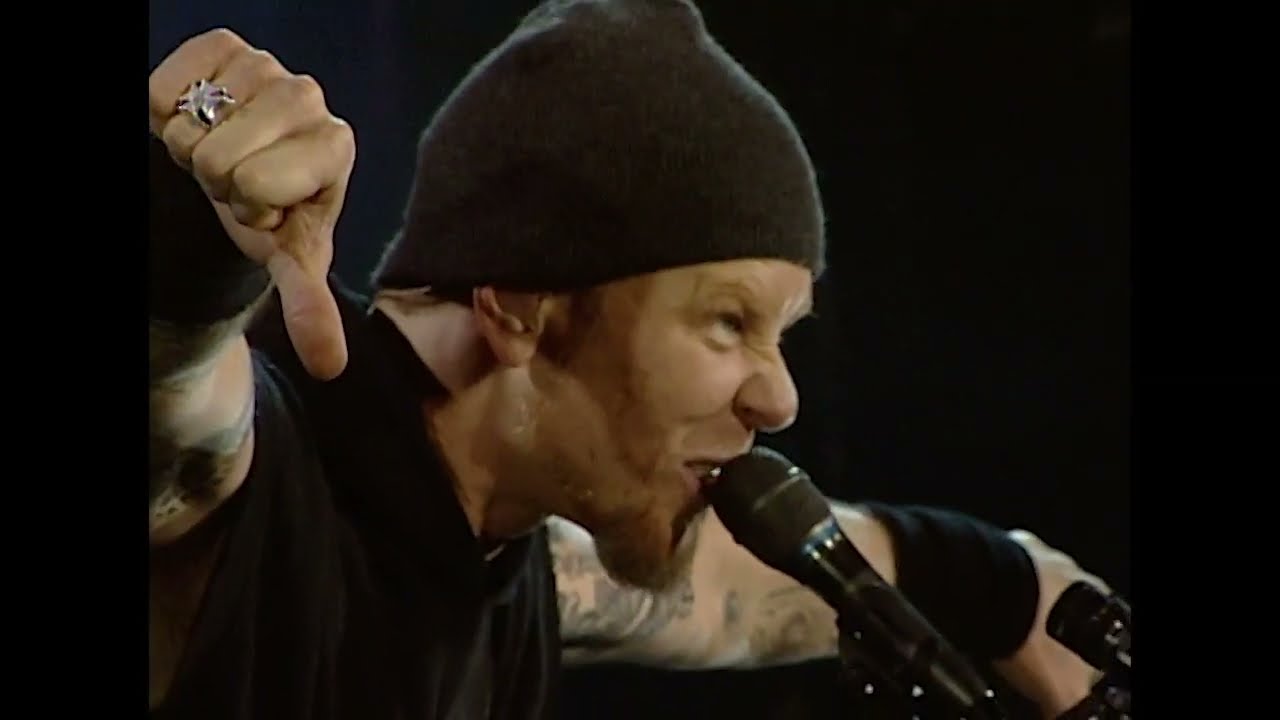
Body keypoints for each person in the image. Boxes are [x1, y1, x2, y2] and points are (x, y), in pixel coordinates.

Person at [148, 2, 1115, 718]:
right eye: (728, 322)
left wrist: (1016, 588)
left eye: (781, 334)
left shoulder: (509, 546)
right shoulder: (274, 463)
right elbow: (181, 410)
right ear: (518, 309)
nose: (779, 397)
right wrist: (192, 230)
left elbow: (765, 585)